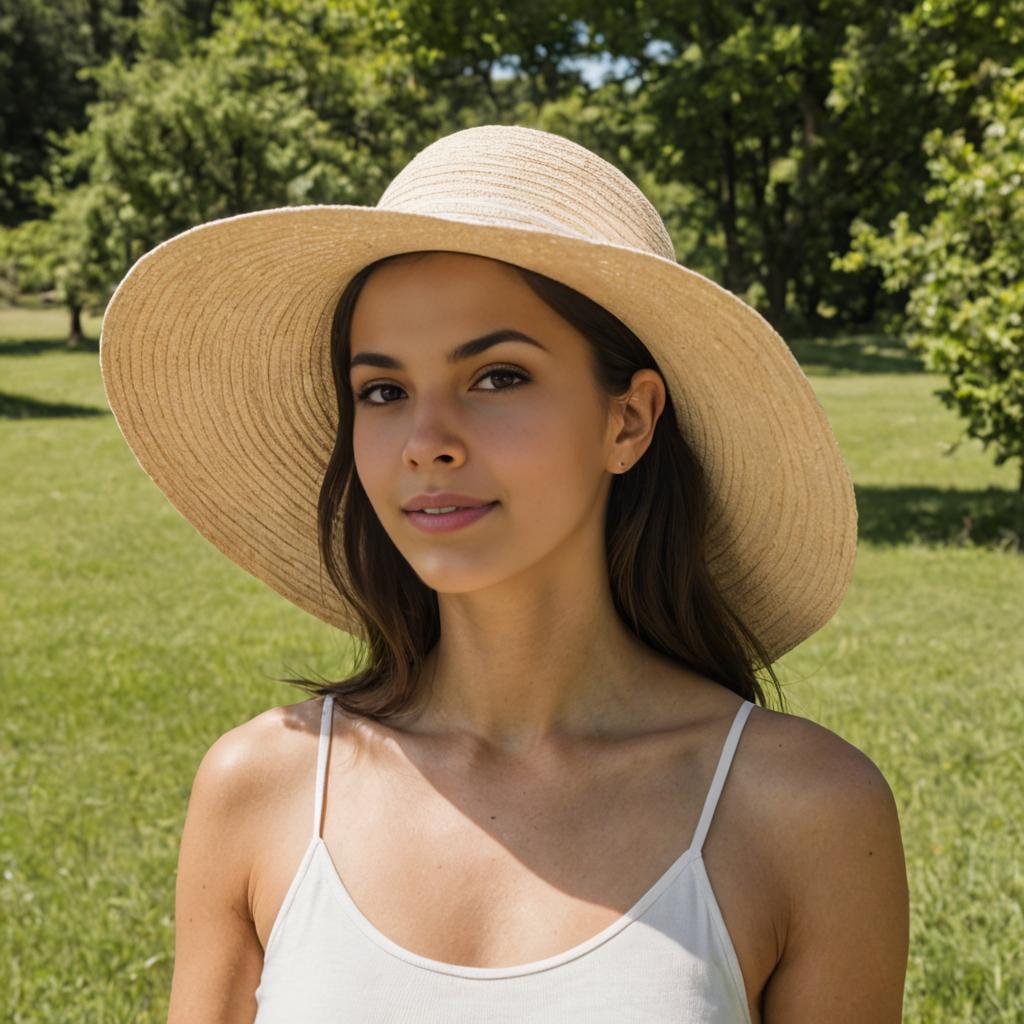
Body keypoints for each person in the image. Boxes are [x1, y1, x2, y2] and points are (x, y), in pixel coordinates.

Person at [100, 124, 909, 1023]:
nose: (426, 443)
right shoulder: (263, 786)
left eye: (495, 378)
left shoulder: (806, 812)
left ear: (629, 422)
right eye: (384, 390)